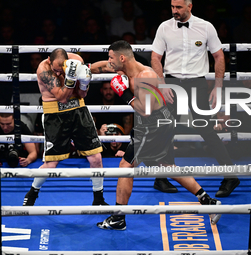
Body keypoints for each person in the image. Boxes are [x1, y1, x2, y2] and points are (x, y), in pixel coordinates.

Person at [93, 40, 221, 230]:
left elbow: (145, 110)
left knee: (125, 166)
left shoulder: (146, 75)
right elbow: (102, 66)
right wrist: (84, 69)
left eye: (112, 57)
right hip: (157, 123)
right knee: (168, 166)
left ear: (122, 58)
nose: (109, 62)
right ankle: (208, 201)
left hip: (153, 124)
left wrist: (123, 93)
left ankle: (118, 218)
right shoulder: (124, 69)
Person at [150, 0, 240, 197]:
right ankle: (162, 177)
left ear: (190, 6)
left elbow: (219, 56)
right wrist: (163, 84)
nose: (174, 11)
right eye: (172, 7)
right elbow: (155, 57)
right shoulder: (164, 27)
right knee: (165, 128)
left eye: (179, 7)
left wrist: (218, 86)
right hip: (171, 82)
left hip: (196, 83)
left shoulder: (205, 27)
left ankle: (231, 176)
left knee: (205, 128)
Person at [23, 48, 108, 207]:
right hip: (55, 115)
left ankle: (98, 199)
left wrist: (84, 83)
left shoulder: (76, 60)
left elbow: (82, 95)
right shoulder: (44, 69)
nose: (56, 73)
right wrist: (70, 77)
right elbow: (62, 97)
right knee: (51, 163)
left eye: (59, 70)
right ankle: (33, 192)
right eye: (55, 69)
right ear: (49, 60)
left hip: (78, 111)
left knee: (96, 158)